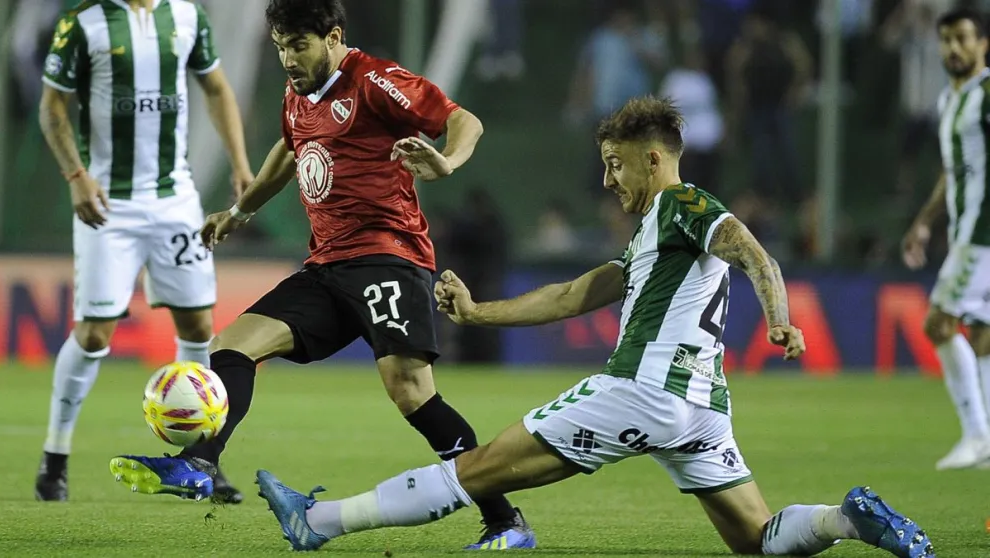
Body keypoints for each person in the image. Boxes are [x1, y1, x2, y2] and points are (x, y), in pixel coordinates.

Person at [255, 96, 935, 558]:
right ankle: (848, 520)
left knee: (477, 471)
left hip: (641, 389)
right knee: (755, 537)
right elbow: (575, 294)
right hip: (702, 411)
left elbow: (752, 251)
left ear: (652, 158)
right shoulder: (652, 237)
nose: (608, 178)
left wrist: (781, 318)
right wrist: (479, 311)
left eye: (615, 163)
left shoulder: (682, 203)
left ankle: (316, 522)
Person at [107, 0, 536, 549]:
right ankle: (198, 464)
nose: (288, 57)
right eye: (281, 45)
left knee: (412, 394)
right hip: (327, 266)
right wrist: (239, 212)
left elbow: (463, 120)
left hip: (389, 258)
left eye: (299, 44)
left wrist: (446, 161)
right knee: (230, 350)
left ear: (333, 36)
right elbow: (288, 153)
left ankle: (504, 521)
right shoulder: (297, 95)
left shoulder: (375, 80)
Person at [36, 0, 253, 501]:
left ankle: (199, 461)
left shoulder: (186, 15)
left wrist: (241, 165)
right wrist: (75, 175)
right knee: (93, 334)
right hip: (108, 201)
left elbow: (216, 87)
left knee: (199, 327)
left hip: (174, 201)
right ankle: (55, 455)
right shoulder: (83, 20)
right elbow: (52, 106)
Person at [902, 7, 990, 470]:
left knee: (938, 323)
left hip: (983, 234)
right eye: (946, 40)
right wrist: (925, 220)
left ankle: (978, 436)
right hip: (966, 228)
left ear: (984, 45)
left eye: (962, 39)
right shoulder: (951, 99)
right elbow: (952, 170)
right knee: (982, 333)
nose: (952, 48)